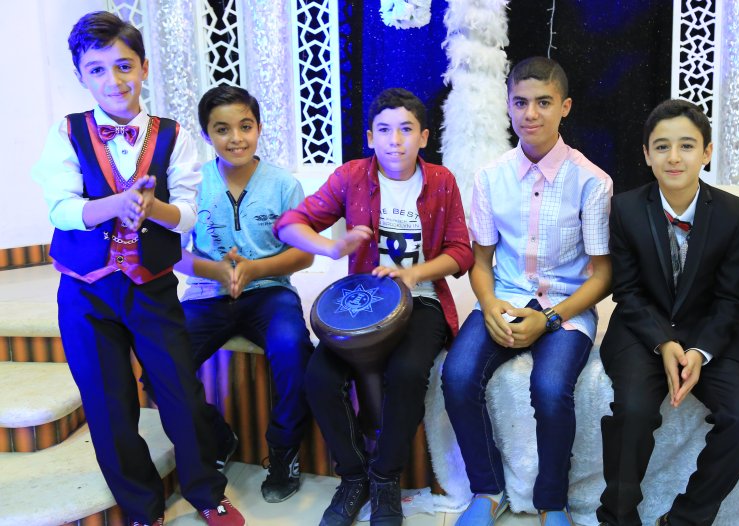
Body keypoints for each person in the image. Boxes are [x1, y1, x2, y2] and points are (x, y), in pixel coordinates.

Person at [31, 11, 244, 526]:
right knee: (108, 405)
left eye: (124, 65)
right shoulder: (67, 132)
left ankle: (206, 491)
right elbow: (62, 210)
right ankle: (141, 508)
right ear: (81, 76)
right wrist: (116, 204)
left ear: (144, 68)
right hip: (85, 292)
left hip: (152, 288)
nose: (114, 79)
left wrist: (154, 209)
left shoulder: (173, 136)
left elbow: (187, 214)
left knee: (180, 393)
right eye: (97, 69)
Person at [274, 87, 473, 526]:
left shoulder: (442, 181)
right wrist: (330, 247)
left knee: (407, 372)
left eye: (406, 129)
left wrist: (415, 274)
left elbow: (461, 252)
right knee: (319, 377)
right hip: (362, 307)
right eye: (384, 130)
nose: (394, 141)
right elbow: (289, 224)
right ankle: (353, 476)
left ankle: (385, 478)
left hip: (421, 301)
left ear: (423, 137)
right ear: (370, 137)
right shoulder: (351, 176)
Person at [441, 56, 613, 526]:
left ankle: (551, 501)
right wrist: (490, 306)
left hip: (566, 305)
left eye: (543, 102)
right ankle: (487, 489)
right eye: (520, 102)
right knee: (457, 375)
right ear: (508, 105)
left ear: (565, 107)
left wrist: (550, 319)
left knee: (551, 388)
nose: (530, 113)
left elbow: (602, 276)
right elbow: (480, 262)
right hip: (506, 295)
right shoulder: (489, 177)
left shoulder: (593, 181)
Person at [596, 99, 739, 526]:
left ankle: (685, 520)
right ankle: (617, 517)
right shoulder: (625, 208)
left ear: (706, 153)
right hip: (643, 328)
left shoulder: (732, 211)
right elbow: (627, 291)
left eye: (687, 146)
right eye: (662, 146)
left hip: (711, 328)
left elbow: (731, 299)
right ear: (646, 154)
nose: (674, 157)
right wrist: (664, 342)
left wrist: (701, 351)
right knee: (633, 412)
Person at [175, 85, 315, 503]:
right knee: (160, 358)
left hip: (269, 293)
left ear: (259, 128)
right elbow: (173, 254)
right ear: (206, 134)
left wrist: (253, 270)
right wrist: (217, 270)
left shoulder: (284, 185)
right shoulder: (191, 184)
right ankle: (216, 437)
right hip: (206, 296)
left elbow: (303, 255)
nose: (236, 138)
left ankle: (284, 450)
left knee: (293, 349)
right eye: (222, 129)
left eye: (245, 126)